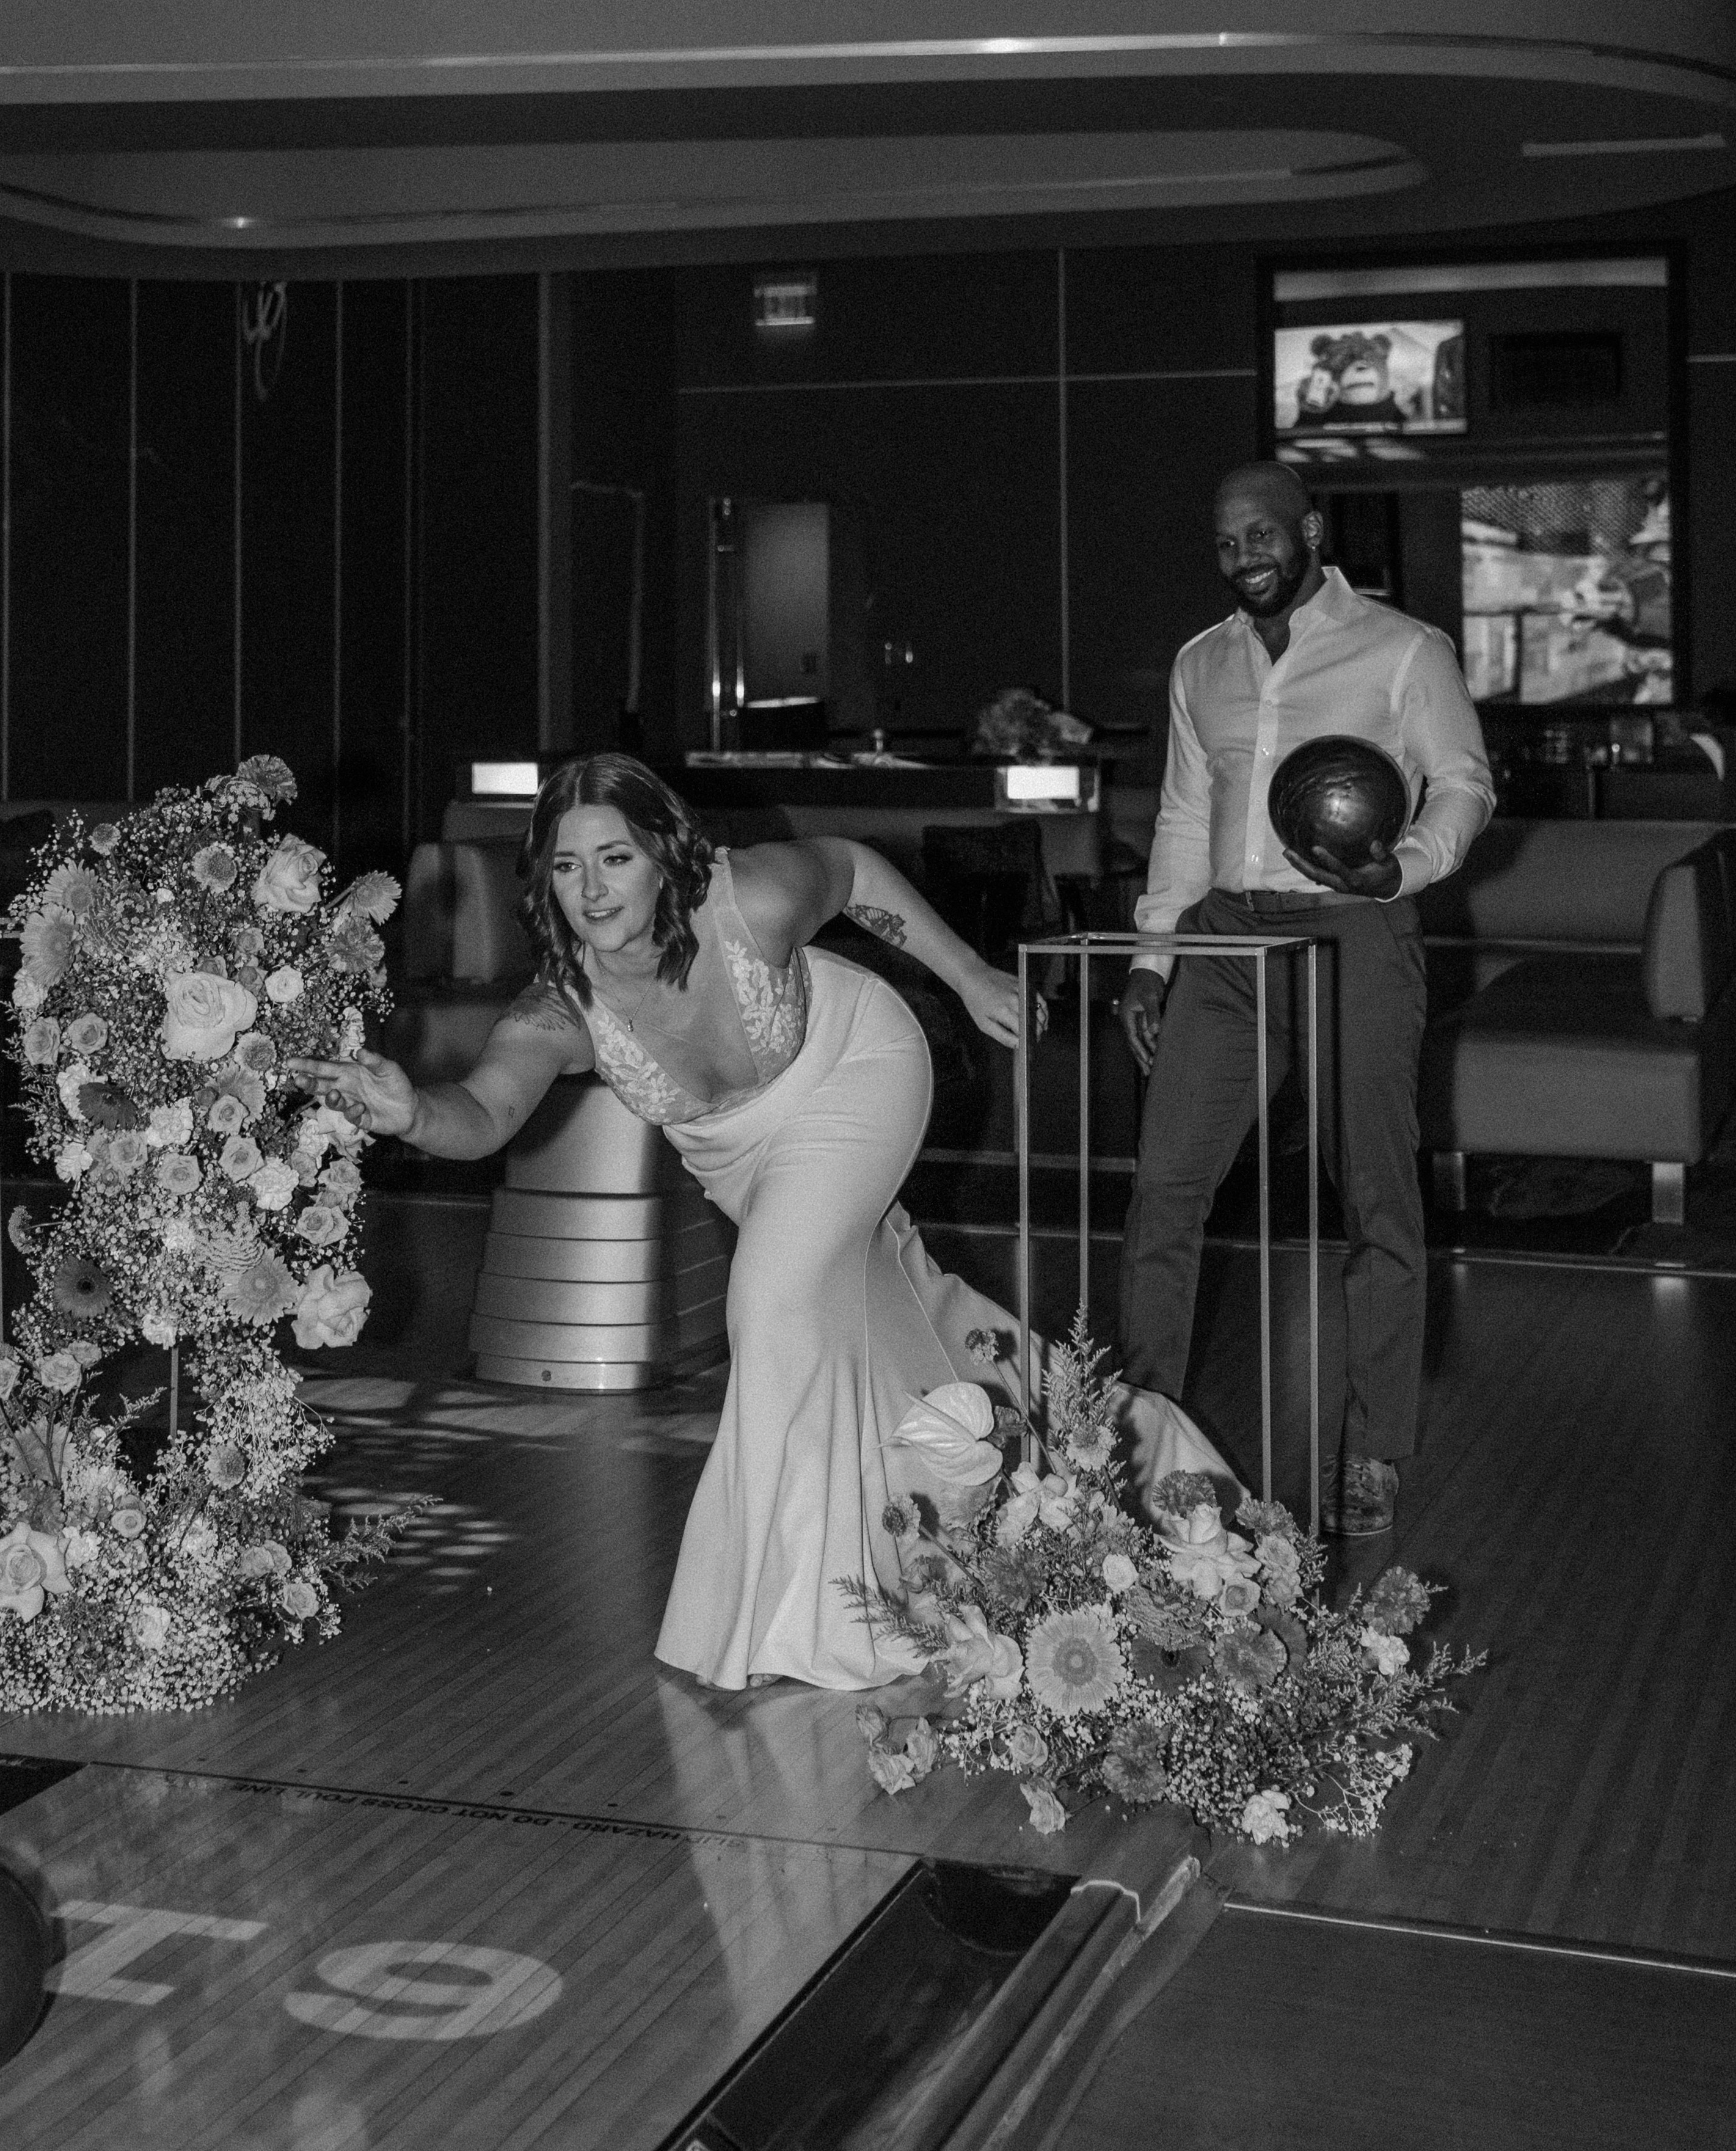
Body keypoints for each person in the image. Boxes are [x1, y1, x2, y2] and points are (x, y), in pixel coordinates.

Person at [307, 754, 1225, 1694]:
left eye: (615, 858)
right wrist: (414, 1111)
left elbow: (857, 870)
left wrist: (969, 974)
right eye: (567, 866)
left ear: (663, 856)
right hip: (749, 1163)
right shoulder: (560, 1007)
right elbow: (489, 1111)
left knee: (772, 1301)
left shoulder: (751, 897)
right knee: (895, 1316)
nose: (591, 888)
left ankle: (799, 1614)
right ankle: (1112, 1444)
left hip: (855, 1069)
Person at [1117, 461, 1494, 1543]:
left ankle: (1374, 1448)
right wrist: (1154, 958)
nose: (1245, 559)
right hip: (1228, 939)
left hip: (1357, 931)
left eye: (1263, 536)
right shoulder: (1202, 665)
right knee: (1166, 1186)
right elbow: (1188, 816)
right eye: (1227, 543)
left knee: (1375, 1196)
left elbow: (1464, 779)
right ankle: (1141, 1435)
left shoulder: (1405, 649)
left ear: (1311, 531)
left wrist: (1410, 862)